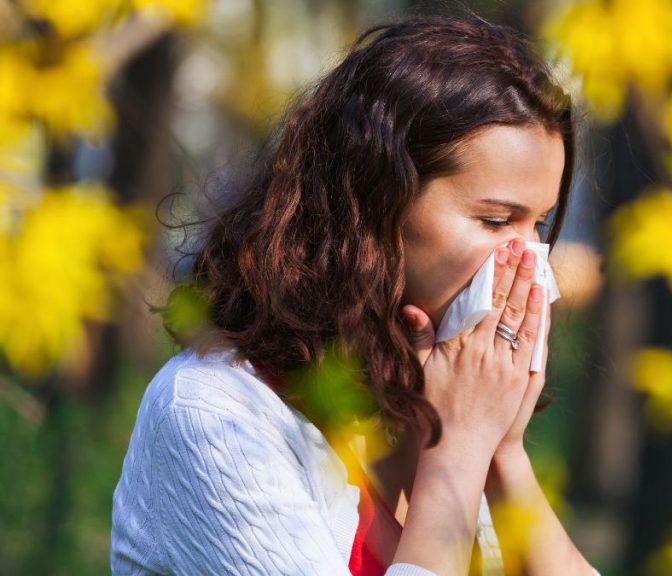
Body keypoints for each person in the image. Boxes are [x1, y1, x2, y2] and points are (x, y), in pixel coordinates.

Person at [110, 13, 600, 576]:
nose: (529, 265)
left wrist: (501, 453)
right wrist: (458, 451)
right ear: (374, 204)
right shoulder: (214, 413)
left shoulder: (423, 403)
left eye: (537, 227)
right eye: (494, 221)